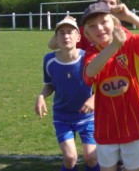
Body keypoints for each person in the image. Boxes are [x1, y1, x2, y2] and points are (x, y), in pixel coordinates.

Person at [82, 2, 139, 171]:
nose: (99, 28)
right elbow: (90, 73)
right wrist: (114, 46)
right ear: (88, 34)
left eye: (104, 22)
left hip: (133, 123)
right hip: (106, 127)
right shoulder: (93, 53)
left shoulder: (131, 44)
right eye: (92, 26)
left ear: (115, 22)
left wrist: (130, 17)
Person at [35, 16, 100, 171]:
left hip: (88, 117)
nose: (66, 36)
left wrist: (93, 99)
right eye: (61, 33)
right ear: (56, 39)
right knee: (70, 158)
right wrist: (41, 96)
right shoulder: (49, 60)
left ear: (78, 37)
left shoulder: (89, 58)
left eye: (70, 32)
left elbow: (103, 86)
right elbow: (50, 84)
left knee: (91, 158)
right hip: (62, 117)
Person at [48, 0, 128, 51]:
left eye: (112, 3)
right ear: (97, 5)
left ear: (118, 7)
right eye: (104, 2)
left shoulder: (124, 33)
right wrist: (65, 24)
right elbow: (52, 45)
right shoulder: (86, 30)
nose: (108, 6)